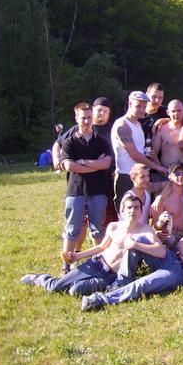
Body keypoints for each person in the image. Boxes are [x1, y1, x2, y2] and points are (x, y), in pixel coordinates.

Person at [80, 211, 183, 311]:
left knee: (142, 284)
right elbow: (181, 245)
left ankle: (99, 300)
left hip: (179, 274)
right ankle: (123, 281)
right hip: (171, 257)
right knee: (139, 240)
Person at [21, 195, 164, 295]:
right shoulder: (114, 226)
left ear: (141, 211)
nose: (133, 211)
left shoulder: (145, 230)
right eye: (129, 208)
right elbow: (101, 247)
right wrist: (78, 256)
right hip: (96, 263)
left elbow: (161, 252)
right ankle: (40, 279)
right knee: (57, 287)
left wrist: (136, 245)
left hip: (109, 276)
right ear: (123, 210)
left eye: (136, 208)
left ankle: (78, 285)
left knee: (75, 291)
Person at [59, 102, 113, 272]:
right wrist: (95, 165)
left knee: (97, 230)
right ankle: (67, 265)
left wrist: (82, 162)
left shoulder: (102, 142)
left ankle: (100, 263)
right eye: (83, 118)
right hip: (76, 192)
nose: (87, 121)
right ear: (76, 118)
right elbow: (69, 166)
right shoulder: (69, 142)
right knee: (72, 229)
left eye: (89, 117)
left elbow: (107, 163)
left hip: (98, 191)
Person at [111, 91, 168, 212]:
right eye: (138, 106)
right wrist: (157, 167)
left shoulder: (137, 124)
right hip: (127, 176)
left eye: (144, 106)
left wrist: (147, 154)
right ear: (130, 104)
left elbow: (139, 151)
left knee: (143, 216)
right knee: (127, 217)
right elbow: (134, 154)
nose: (142, 110)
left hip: (141, 176)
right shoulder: (122, 125)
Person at [150, 161, 183, 248]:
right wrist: (160, 221)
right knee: (170, 240)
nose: (181, 176)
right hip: (169, 237)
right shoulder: (164, 199)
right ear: (170, 176)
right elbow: (154, 226)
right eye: (177, 174)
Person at [152, 99, 183, 182]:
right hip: (167, 174)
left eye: (179, 111)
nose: (176, 114)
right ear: (168, 112)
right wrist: (160, 169)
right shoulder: (161, 129)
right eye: (173, 111)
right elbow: (153, 153)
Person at [139, 82, 167, 149]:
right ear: (146, 95)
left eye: (160, 98)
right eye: (154, 97)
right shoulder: (138, 114)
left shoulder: (166, 112)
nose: (157, 101)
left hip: (161, 154)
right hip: (140, 153)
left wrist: (165, 119)